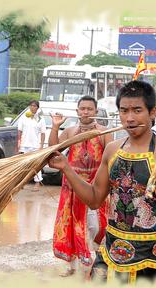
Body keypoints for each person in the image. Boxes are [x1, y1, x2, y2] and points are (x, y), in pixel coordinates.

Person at [48, 80, 156, 283]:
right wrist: (66, 168)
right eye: (124, 111)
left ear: (152, 112)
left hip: (153, 259)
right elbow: (95, 199)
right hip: (110, 255)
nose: (130, 118)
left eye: (137, 110)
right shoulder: (113, 149)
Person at [48, 96, 113, 277]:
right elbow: (53, 150)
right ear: (77, 111)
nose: (85, 112)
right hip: (71, 188)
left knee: (94, 226)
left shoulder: (104, 132)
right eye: (82, 109)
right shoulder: (70, 131)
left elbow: (111, 159)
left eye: (89, 109)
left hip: (94, 189)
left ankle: (93, 265)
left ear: (96, 112)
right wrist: (55, 126)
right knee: (71, 225)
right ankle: (74, 267)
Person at [17, 100, 46, 190]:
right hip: (24, 144)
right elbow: (19, 131)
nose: (33, 107)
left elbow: (43, 133)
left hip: (35, 145)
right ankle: (22, 182)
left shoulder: (40, 119)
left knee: (36, 165)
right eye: (31, 106)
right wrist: (19, 142)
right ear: (29, 107)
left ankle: (37, 183)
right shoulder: (24, 117)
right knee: (24, 164)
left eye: (35, 106)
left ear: (37, 108)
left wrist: (41, 145)